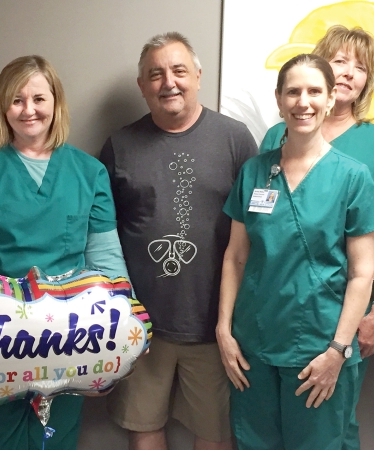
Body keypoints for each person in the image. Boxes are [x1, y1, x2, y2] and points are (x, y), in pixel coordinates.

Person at [0, 54, 128, 450]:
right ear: (3, 106)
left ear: (56, 103)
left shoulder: (89, 172)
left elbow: (105, 258)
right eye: (17, 100)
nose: (29, 110)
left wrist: (116, 345)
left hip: (69, 336)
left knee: (57, 437)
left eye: (39, 98)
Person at [217, 54, 374, 449]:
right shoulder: (255, 172)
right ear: (279, 100)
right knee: (255, 443)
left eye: (314, 91)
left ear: (330, 100)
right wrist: (224, 330)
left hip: (319, 346)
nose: (303, 101)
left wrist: (337, 350)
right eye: (293, 91)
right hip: (252, 345)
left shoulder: (352, 176)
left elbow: (364, 272)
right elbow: (235, 257)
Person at [99, 32, 257, 450]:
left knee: (213, 431)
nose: (168, 81)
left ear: (198, 76)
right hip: (140, 323)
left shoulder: (235, 139)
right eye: (155, 74)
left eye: (178, 70)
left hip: (213, 322)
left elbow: (256, 232)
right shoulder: (119, 145)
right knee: (143, 426)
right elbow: (102, 236)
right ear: (142, 86)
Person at [259, 28, 374, 448]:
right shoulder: (278, 136)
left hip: (340, 313)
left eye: (361, 67)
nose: (348, 74)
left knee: (332, 425)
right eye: (339, 61)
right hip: (276, 314)